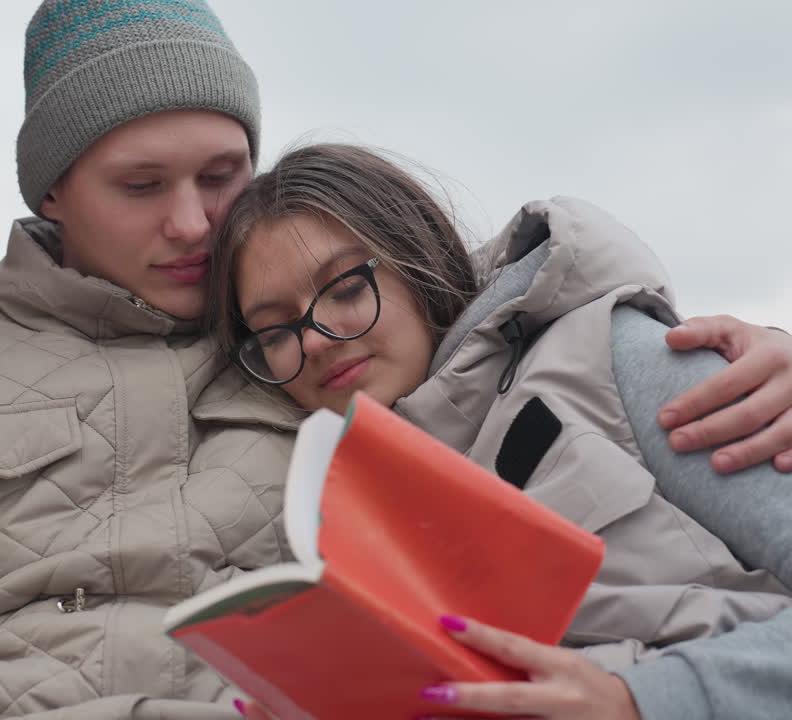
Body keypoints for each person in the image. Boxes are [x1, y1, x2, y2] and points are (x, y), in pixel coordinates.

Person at [0, 2, 792, 718]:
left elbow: (493, 309)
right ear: (52, 191)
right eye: (140, 186)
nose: (193, 222)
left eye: (220, 173)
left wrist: (761, 350)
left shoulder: (343, 346)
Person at [209, 142, 792, 720]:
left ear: (418, 255)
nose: (313, 340)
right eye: (275, 331)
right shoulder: (331, 526)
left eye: (346, 289)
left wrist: (642, 701)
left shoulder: (615, 358)